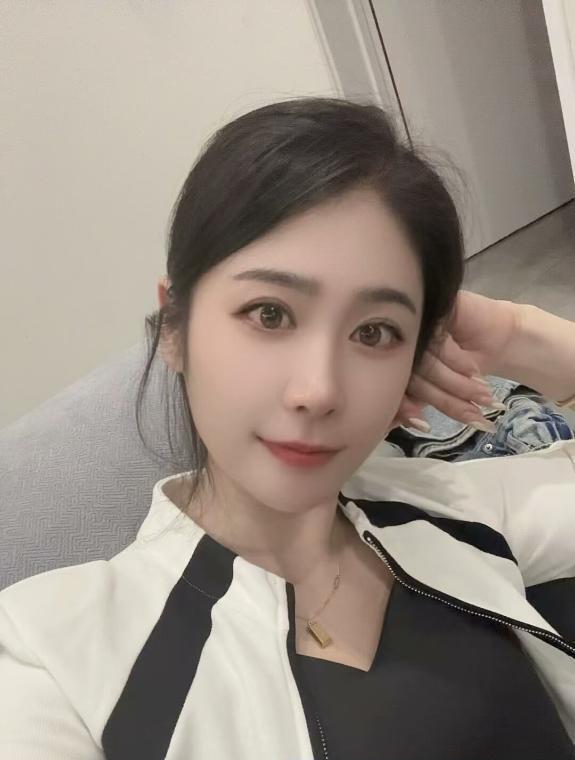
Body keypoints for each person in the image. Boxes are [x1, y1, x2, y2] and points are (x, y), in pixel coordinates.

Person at [1, 96, 575, 759]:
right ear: (174, 328)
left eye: (374, 332)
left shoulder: (451, 510)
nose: (318, 390)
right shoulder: (54, 656)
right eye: (269, 314)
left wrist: (516, 332)